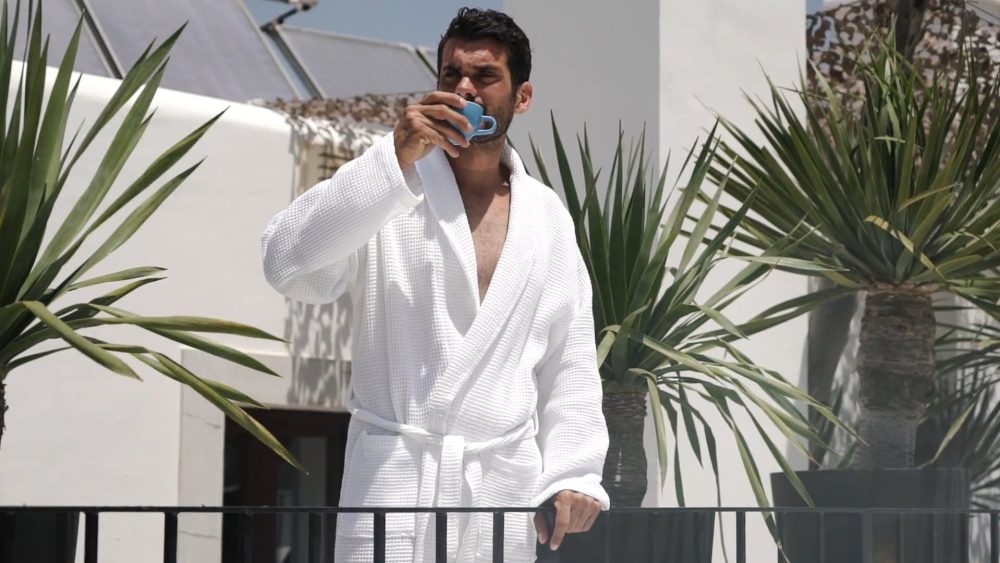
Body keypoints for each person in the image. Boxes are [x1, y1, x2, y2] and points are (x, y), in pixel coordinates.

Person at [261, 7, 609, 562]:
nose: (465, 88)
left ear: (521, 97)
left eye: (485, 76)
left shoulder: (547, 218)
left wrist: (574, 471)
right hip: (395, 485)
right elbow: (287, 265)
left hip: (499, 494)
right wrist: (393, 159)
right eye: (452, 74)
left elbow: (568, 360)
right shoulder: (388, 187)